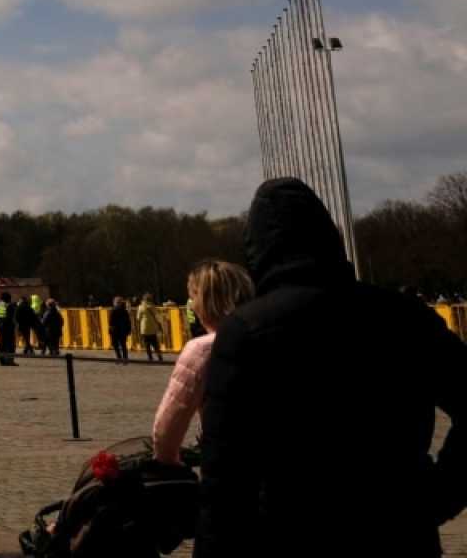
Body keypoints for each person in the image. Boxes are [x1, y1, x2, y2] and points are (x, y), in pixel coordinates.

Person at [196, 178, 467, 557]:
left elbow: (226, 484)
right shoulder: (405, 316)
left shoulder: (245, 332)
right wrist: (437, 496)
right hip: (401, 534)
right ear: (330, 239)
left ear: (258, 251)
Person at [151, 259, 253, 464]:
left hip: (230, 463)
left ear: (203, 301)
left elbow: (168, 426)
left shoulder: (201, 350)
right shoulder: (270, 335)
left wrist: (168, 462)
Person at [134, 294, 164, 363]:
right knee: (155, 344)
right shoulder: (153, 306)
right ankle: (159, 356)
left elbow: (138, 318)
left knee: (147, 344)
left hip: (144, 328)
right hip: (153, 328)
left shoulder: (141, 307)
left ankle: (150, 357)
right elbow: (157, 316)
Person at [0, 292, 19, 367]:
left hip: (0, 327)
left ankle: (2, 360)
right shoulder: (9, 306)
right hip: (8, 327)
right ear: (8, 298)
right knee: (10, 345)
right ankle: (10, 360)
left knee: (2, 344)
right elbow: (10, 318)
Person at [107, 296, 132, 365]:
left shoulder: (113, 310)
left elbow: (110, 322)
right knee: (123, 345)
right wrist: (129, 330)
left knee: (116, 345)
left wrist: (110, 330)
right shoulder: (125, 311)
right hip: (123, 330)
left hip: (115, 331)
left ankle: (119, 358)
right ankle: (125, 359)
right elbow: (128, 321)